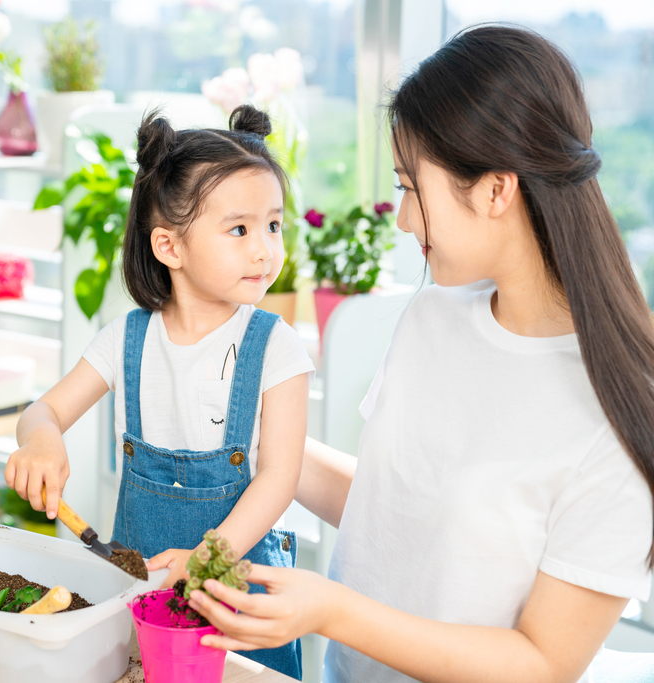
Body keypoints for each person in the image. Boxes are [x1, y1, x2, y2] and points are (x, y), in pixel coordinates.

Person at [187, 25, 654, 683]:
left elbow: (544, 661)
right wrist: (244, 431)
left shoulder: (618, 411)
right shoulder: (432, 315)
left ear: (496, 189)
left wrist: (332, 610)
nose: (403, 219)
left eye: (410, 187)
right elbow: (396, 503)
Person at [5, 105, 314, 678]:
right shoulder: (128, 339)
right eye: (239, 229)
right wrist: (42, 440)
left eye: (274, 225)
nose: (265, 249)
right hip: (142, 607)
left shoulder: (278, 347)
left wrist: (207, 558)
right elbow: (44, 410)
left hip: (240, 606)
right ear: (169, 246)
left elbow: (280, 478)